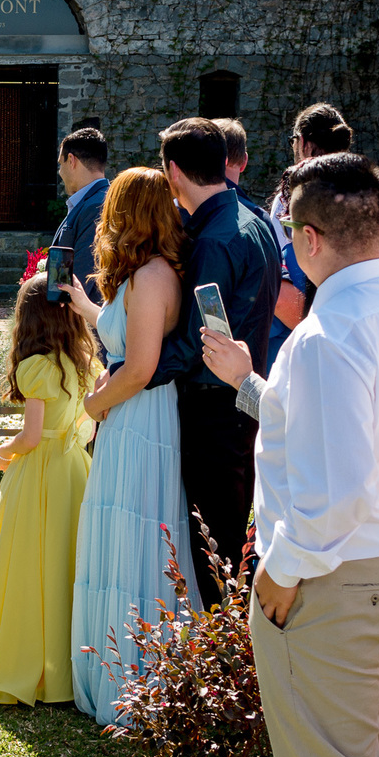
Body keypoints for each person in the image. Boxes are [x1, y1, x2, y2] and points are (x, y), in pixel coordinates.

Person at [247, 153, 379, 757]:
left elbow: (336, 495)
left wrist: (280, 571)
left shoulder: (325, 336)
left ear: (307, 239)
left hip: (336, 580)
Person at [60, 168, 203, 725]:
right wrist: (87, 307)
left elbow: (139, 368)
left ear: (127, 213)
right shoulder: (146, 274)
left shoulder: (152, 276)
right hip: (131, 415)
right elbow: (129, 339)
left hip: (139, 417)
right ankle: (128, 670)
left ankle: (137, 679)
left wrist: (95, 407)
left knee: (135, 531)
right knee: (124, 531)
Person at [142, 118, 280, 607]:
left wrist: (131, 373)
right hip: (242, 399)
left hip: (213, 407)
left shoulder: (214, 240)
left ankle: (226, 659)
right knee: (228, 534)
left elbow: (195, 342)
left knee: (214, 547)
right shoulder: (256, 218)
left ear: (173, 171)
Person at [0, 272, 100, 706]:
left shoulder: (37, 366)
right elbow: (86, 424)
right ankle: (65, 670)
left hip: (38, 473)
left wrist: (4, 452)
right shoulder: (80, 363)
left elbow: (31, 436)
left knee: (26, 565)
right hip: (74, 468)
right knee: (65, 564)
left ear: (27, 319)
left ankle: (22, 666)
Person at [266, 105, 354, 367]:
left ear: (302, 141)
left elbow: (283, 291)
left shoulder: (290, 198)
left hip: (303, 336)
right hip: (352, 323)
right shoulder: (362, 191)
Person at [50, 127, 110, 305]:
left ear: (71, 160)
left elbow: (83, 278)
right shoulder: (93, 200)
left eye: (61, 164)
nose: (60, 172)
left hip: (80, 323)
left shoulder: (96, 205)